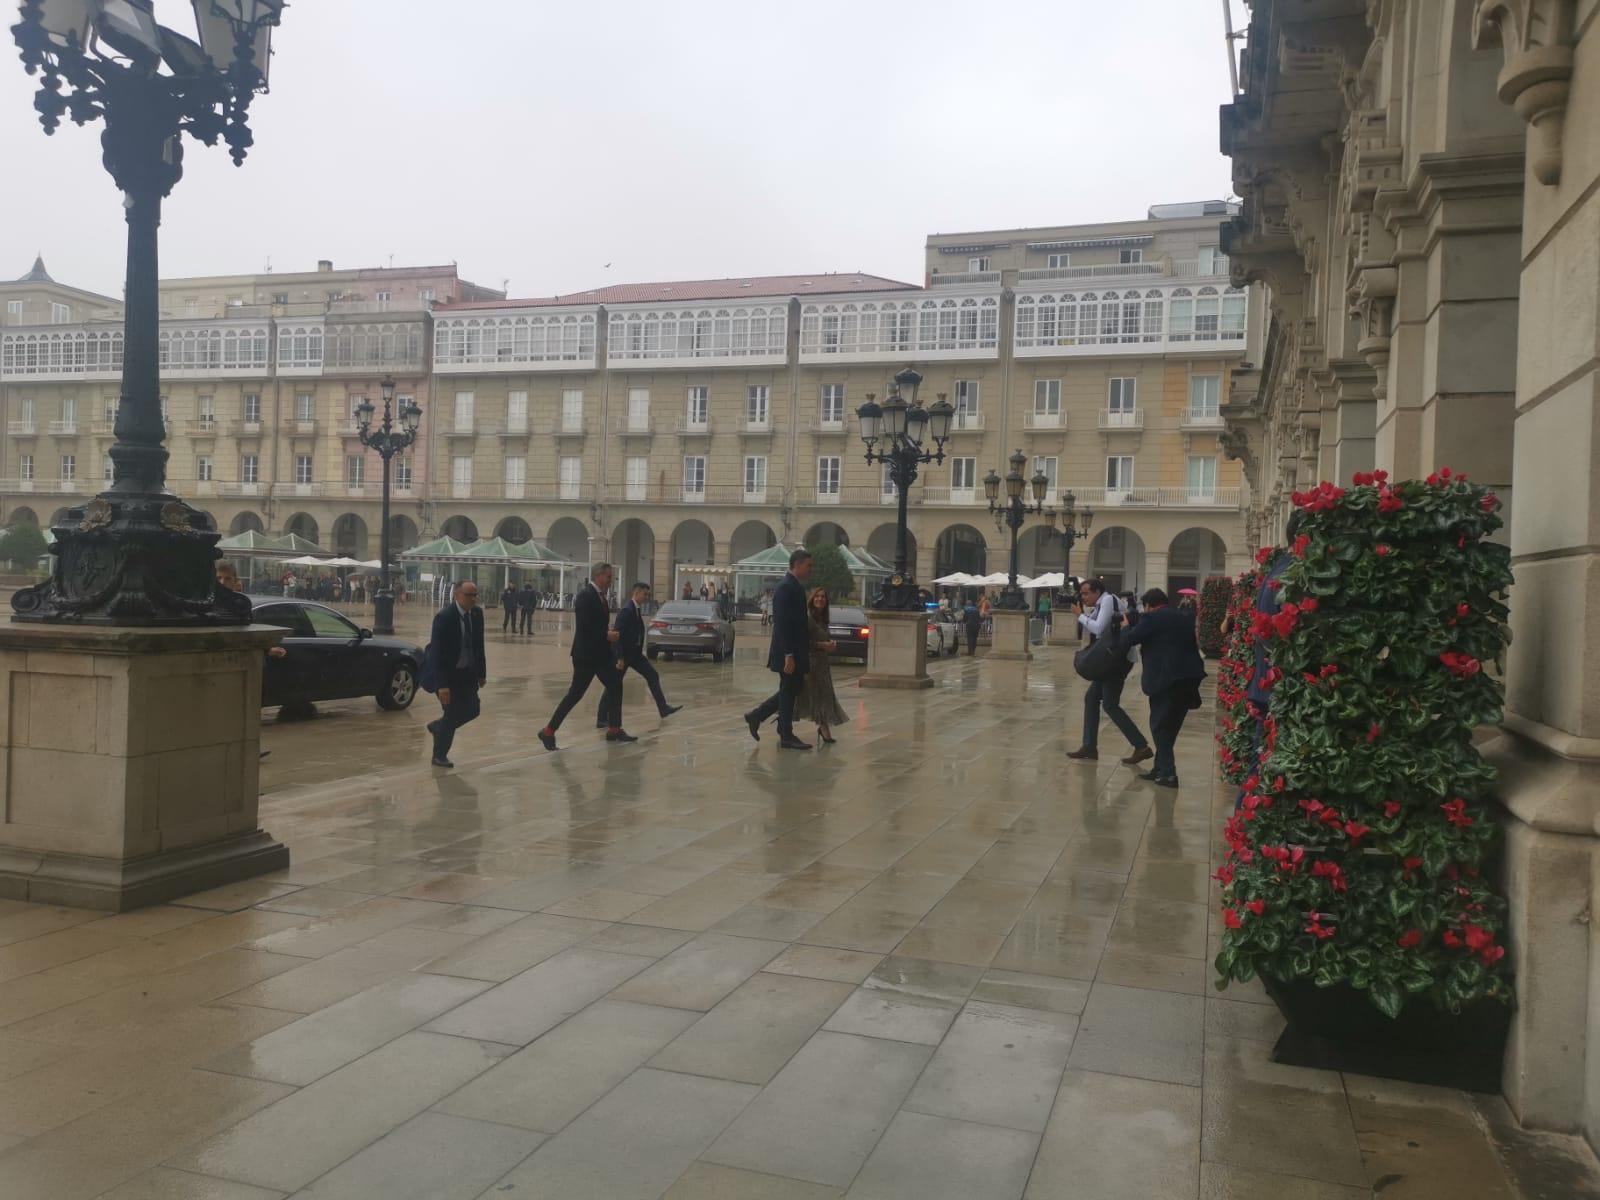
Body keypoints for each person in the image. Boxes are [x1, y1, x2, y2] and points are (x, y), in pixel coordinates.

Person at [1114, 586, 1206, 789]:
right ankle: (1159, 768)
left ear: (1149, 605)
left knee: (1159, 726)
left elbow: (1128, 640)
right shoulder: (1183, 616)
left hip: (1166, 680)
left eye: (1145, 607)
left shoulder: (1152, 618)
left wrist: (1126, 626)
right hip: (1189, 678)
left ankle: (1168, 774)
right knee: (1170, 727)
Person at [539, 562, 630, 750]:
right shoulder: (585, 596)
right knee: (575, 694)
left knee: (615, 685)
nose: (610, 580)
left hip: (601, 654)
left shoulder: (600, 597)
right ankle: (548, 731)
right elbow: (585, 627)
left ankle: (614, 728)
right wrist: (606, 634)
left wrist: (608, 636)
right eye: (608, 576)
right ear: (598, 576)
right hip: (586, 655)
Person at [1067, 578, 1153, 766]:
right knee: (1092, 698)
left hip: (1116, 661)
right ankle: (1089, 746)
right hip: (1110, 659)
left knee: (1110, 704)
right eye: (1082, 594)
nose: (1084, 597)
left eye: (1086, 593)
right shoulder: (1102, 603)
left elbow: (1098, 628)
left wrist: (1079, 615)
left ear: (1098, 592)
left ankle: (1141, 746)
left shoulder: (1107, 600)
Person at [743, 548, 813, 750]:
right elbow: (782, 624)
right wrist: (789, 655)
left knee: (791, 688)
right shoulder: (785, 588)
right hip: (787, 652)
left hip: (794, 651)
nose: (811, 570)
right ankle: (785, 734)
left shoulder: (794, 586)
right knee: (790, 689)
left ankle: (760, 717)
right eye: (809, 566)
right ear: (797, 564)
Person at [596, 582, 682, 727]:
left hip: (635, 655)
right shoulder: (626, 610)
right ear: (636, 593)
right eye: (645, 594)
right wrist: (620, 657)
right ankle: (602, 718)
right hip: (625, 655)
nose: (647, 597)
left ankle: (663, 708)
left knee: (652, 675)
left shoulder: (635, 609)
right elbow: (618, 635)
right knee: (613, 685)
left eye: (648, 594)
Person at [424, 579, 487, 768]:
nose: (473, 599)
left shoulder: (476, 614)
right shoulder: (445, 617)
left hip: (467, 673)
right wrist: (442, 685)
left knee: (473, 709)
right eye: (469, 595)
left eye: (475, 595)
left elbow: (479, 645)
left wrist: (481, 673)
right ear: (457, 595)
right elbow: (437, 653)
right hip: (448, 675)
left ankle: (438, 727)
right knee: (451, 714)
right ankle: (439, 756)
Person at [794, 586, 846, 743]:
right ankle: (783, 724)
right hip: (811, 664)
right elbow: (803, 642)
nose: (820, 599)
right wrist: (822, 645)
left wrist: (830, 644)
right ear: (812, 599)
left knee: (823, 696)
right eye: (817, 596)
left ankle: (824, 729)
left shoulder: (822, 619)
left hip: (822, 664)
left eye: (823, 597)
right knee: (810, 696)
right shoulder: (808, 617)